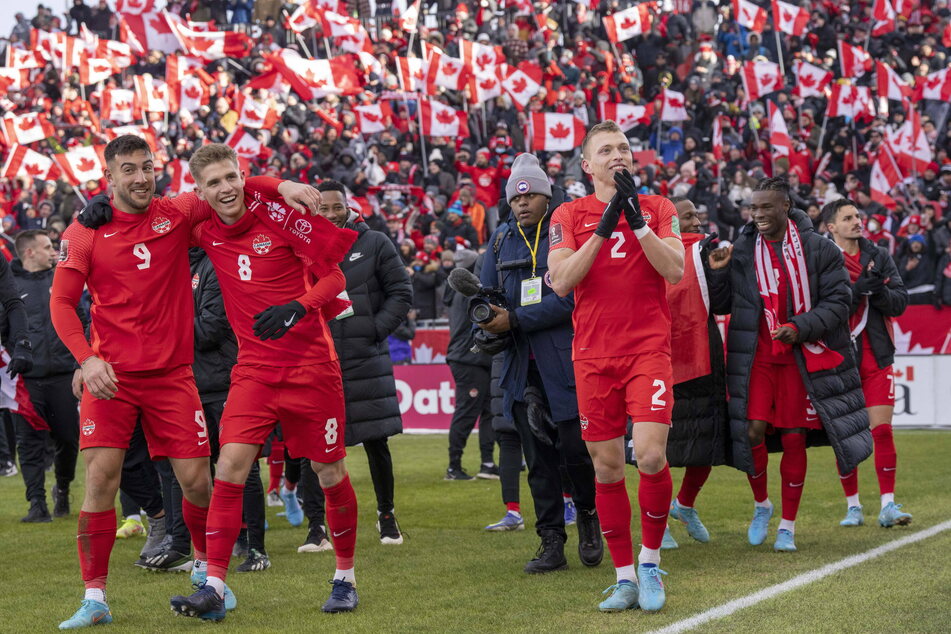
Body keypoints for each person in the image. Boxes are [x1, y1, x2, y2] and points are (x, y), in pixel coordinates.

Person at [50, 134, 319, 629]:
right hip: (111, 377)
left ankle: (205, 572)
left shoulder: (176, 212)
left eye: (146, 167)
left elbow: (230, 183)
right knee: (99, 482)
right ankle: (94, 598)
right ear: (108, 177)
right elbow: (62, 303)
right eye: (127, 169)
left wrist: (284, 183)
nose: (139, 177)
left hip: (174, 377)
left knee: (198, 483)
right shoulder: (84, 233)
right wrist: (86, 360)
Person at [169, 144, 360, 620]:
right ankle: (215, 584)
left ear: (243, 176)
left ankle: (344, 577)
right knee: (229, 466)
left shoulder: (278, 217)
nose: (226, 188)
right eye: (213, 183)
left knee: (329, 472)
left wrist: (299, 306)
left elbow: (334, 278)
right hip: (253, 372)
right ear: (201, 193)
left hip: (312, 368)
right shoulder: (203, 231)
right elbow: (151, 217)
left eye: (232, 177)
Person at [548, 120, 685, 613]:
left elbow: (675, 268)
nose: (617, 155)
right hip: (592, 356)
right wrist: (607, 222)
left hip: (648, 349)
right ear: (588, 165)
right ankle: (624, 576)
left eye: (624, 147)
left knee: (648, 456)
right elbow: (561, 280)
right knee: (606, 469)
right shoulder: (568, 212)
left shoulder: (659, 207)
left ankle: (649, 564)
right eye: (606, 150)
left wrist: (635, 217)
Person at [705, 178, 871, 555]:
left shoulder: (820, 250)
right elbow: (724, 305)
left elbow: (839, 303)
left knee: (795, 437)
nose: (758, 214)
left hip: (800, 354)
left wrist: (799, 327)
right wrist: (718, 273)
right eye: (753, 208)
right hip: (757, 355)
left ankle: (787, 526)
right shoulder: (744, 247)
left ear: (786, 206)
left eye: (766, 208)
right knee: (751, 432)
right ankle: (763, 505)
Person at [478, 153, 602, 574]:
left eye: (530, 197)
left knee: (576, 452)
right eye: (516, 199)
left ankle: (587, 516)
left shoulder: (567, 231)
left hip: (566, 361)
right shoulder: (499, 240)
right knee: (538, 462)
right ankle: (551, 541)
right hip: (518, 366)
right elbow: (487, 293)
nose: (522, 204)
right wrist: (487, 322)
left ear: (547, 196)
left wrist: (514, 318)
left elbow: (571, 299)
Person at [301, 178, 412, 548]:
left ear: (349, 207)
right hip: (318, 359)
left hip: (366, 358)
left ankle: (386, 516)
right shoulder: (303, 247)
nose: (331, 215)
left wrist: (374, 330)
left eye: (337, 207)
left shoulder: (375, 242)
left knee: (376, 441)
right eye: (323, 209)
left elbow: (401, 292)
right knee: (313, 445)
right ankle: (316, 526)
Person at [821, 200, 912, 528]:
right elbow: (823, 308)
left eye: (858, 216)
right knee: (845, 437)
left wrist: (881, 294)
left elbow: (901, 302)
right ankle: (853, 506)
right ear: (831, 227)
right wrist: (857, 293)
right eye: (848, 218)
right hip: (840, 358)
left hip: (876, 355)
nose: (857, 222)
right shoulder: (824, 258)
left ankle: (888, 504)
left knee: (882, 431)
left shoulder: (879, 256)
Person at [659, 197, 730, 548]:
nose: (697, 221)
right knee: (662, 450)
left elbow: (723, 303)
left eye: (698, 214)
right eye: (688, 216)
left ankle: (685, 505)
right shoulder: (654, 253)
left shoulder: (707, 253)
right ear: (671, 223)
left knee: (708, 442)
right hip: (661, 358)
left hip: (706, 355)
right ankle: (661, 524)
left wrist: (718, 272)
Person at [7, 230, 74, 523]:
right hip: (26, 380)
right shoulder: (9, 286)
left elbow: (82, 318)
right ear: (30, 252)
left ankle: (62, 486)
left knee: (69, 440)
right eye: (48, 247)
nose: (53, 252)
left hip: (64, 374)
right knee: (30, 443)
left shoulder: (63, 278)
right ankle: (36, 503)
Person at [443, 247, 496, 481]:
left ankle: (487, 463)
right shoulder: (468, 291)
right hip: (469, 357)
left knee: (486, 411)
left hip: (471, 357)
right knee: (467, 411)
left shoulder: (453, 291)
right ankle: (454, 466)